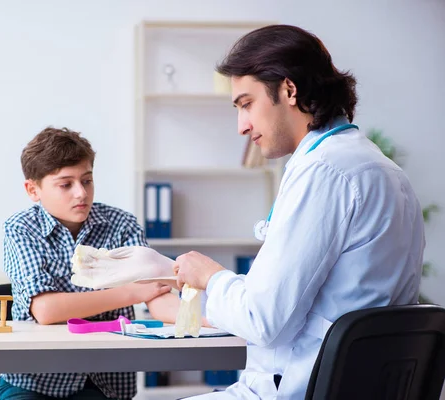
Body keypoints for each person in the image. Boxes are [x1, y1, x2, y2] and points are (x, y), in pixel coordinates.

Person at [73, 25, 425, 399]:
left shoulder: (323, 172)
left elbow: (263, 320)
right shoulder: (383, 169)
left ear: (289, 90)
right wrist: (170, 272)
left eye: (246, 104)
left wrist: (210, 275)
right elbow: (298, 302)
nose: (242, 126)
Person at [0, 127, 180, 400]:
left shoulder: (121, 224)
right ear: (33, 189)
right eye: (65, 184)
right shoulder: (21, 228)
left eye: (87, 181)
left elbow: (155, 293)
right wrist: (132, 292)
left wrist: (209, 320)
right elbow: (46, 310)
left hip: (102, 380)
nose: (81, 193)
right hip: (34, 378)